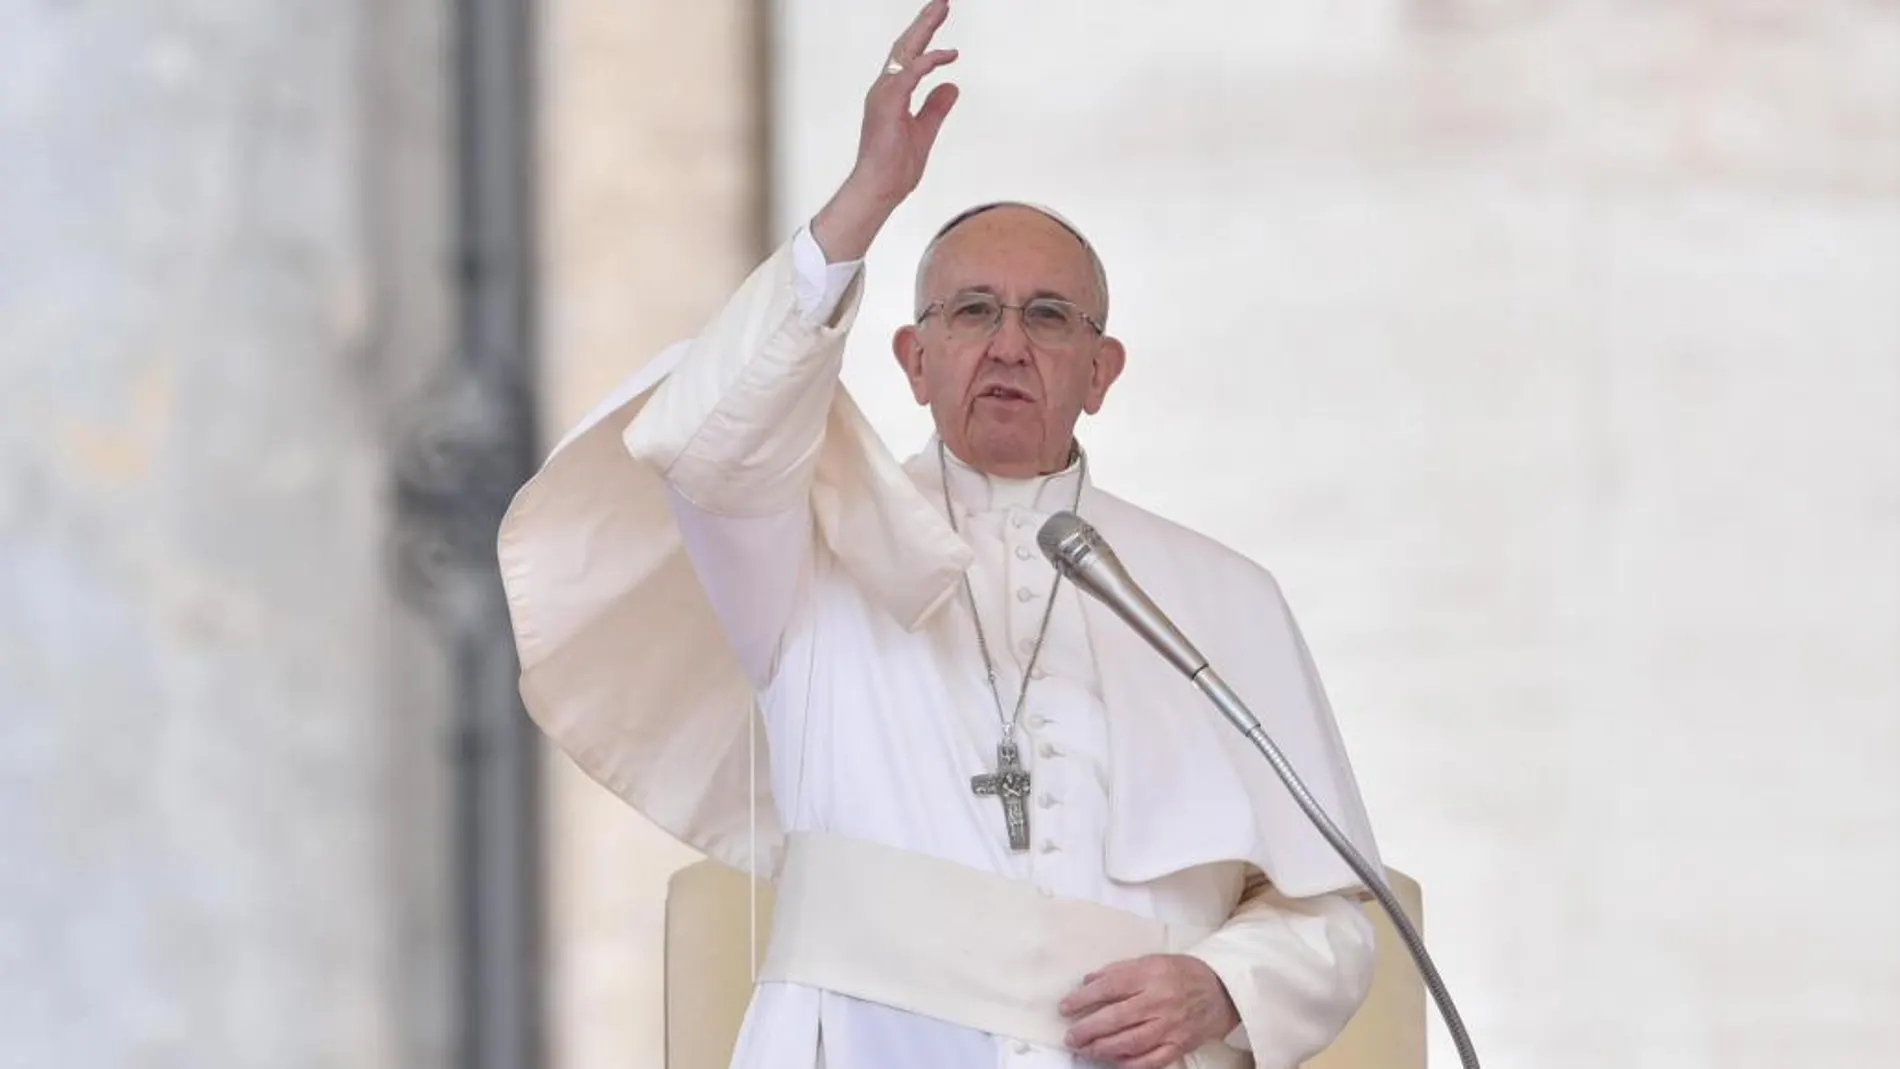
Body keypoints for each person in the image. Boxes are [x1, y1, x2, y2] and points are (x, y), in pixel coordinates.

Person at [497, 2, 1384, 1066]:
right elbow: (705, 437)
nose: (1008, 343)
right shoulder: (805, 556)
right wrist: (863, 203)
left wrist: (1222, 986)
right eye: (971, 312)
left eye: (1049, 316)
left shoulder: (1219, 597)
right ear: (914, 359)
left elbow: (1335, 919)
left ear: (1100, 375)